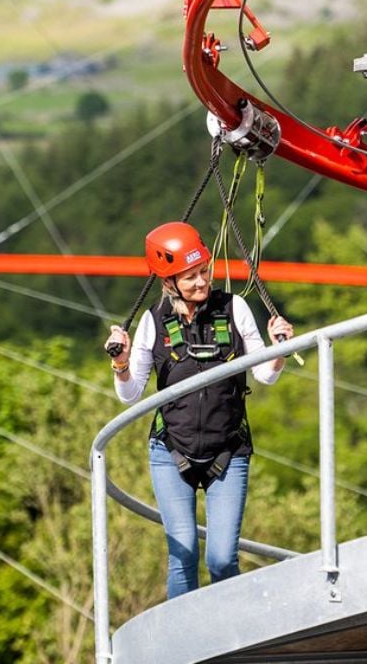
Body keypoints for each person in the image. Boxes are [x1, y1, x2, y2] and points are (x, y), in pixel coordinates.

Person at [104, 221, 293, 599]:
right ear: (169, 282)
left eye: (203, 272)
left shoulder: (234, 308)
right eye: (190, 277)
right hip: (171, 452)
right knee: (183, 553)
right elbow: (129, 394)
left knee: (222, 559)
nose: (201, 282)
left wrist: (279, 351)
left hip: (229, 451)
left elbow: (265, 374)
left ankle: (230, 640)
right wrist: (121, 362)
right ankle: (184, 648)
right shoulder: (153, 322)